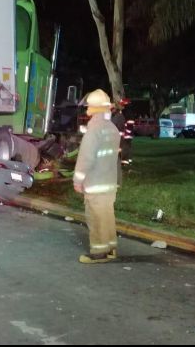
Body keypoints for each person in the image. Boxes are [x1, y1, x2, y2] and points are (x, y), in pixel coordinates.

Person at [73, 89, 122, 264]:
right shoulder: (112, 129)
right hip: (109, 183)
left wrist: (78, 180)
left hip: (95, 183)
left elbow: (86, 158)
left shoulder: (94, 130)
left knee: (95, 218)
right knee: (107, 216)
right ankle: (110, 248)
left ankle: (99, 252)